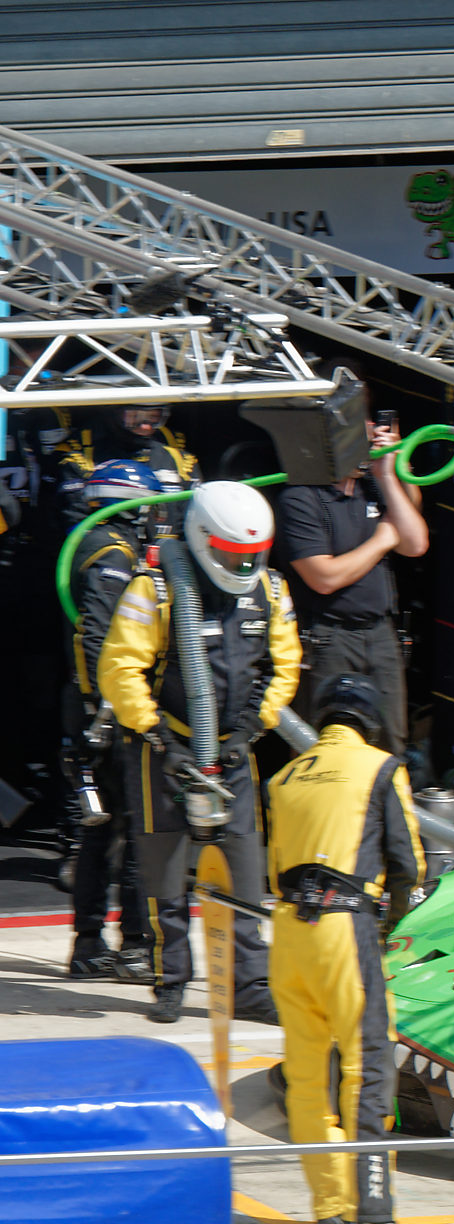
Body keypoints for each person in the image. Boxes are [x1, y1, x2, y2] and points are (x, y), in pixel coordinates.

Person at [98, 480, 299, 1024]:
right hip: (164, 750)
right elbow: (119, 670)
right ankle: (171, 982)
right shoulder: (155, 590)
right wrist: (159, 737)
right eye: (233, 555)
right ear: (203, 538)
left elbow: (284, 667)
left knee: (245, 871)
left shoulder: (271, 590)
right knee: (164, 874)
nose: (244, 566)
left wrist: (249, 730)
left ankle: (249, 987)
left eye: (253, 555)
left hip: (233, 751)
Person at [266, 674, 428, 1224]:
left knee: (308, 1076)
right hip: (344, 928)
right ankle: (374, 1212)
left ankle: (329, 1206)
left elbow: (275, 865)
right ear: (370, 719)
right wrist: (393, 923)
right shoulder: (380, 768)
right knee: (369, 1067)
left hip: (288, 931)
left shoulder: (284, 777)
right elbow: (409, 862)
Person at [61, 460, 166, 980]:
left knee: (103, 832)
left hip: (93, 705)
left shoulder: (100, 545)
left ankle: (92, 943)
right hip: (106, 711)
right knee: (129, 830)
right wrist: (105, 711)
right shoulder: (113, 554)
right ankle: (129, 945)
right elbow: (99, 638)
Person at [277, 408, 427, 760]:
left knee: (389, 743)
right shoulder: (300, 497)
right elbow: (324, 578)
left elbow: (415, 543)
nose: (368, 446)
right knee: (324, 747)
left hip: (380, 635)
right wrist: (381, 540)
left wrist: (387, 474)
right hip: (329, 638)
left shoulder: (372, 485)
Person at [52, 405, 200, 528]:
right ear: (115, 414)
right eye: (135, 417)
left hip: (171, 551)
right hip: (111, 547)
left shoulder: (182, 461)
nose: (146, 426)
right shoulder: (80, 460)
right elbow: (75, 520)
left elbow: (197, 519)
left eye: (154, 418)